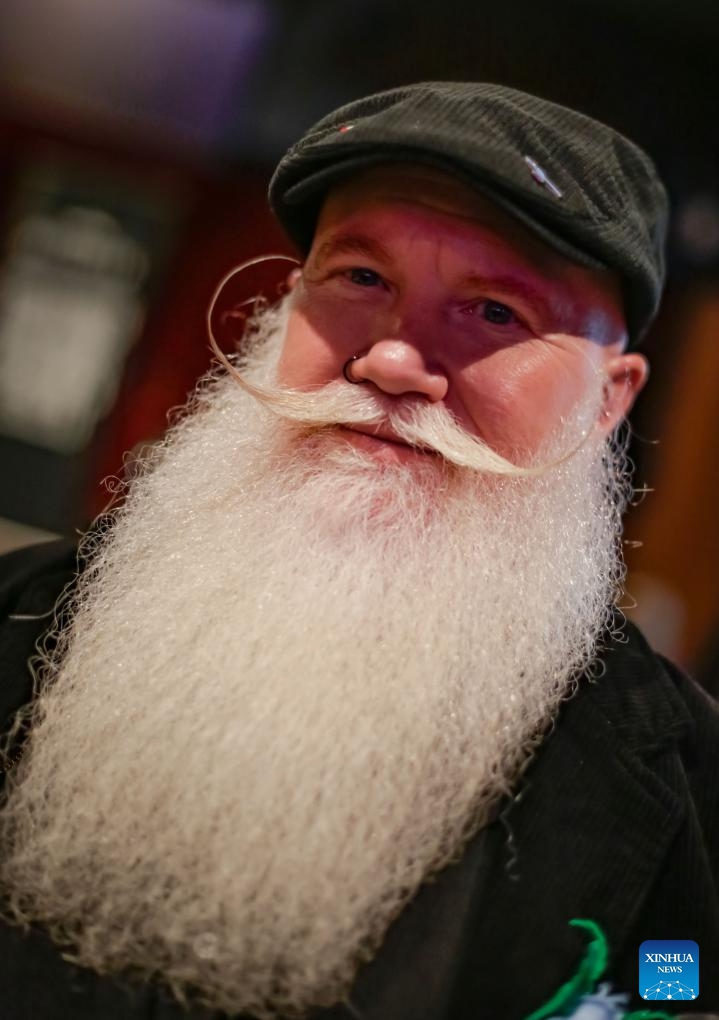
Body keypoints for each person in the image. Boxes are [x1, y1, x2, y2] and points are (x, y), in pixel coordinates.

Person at [0, 82, 717, 1020]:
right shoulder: (18, 619)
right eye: (361, 278)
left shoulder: (690, 789)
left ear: (609, 399)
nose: (388, 361)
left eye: (495, 311)